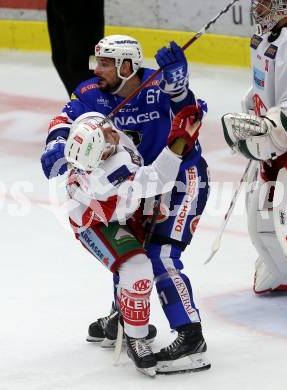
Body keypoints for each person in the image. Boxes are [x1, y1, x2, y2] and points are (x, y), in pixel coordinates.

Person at [41, 34, 210, 374]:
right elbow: (63, 120)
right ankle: (125, 316)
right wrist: (56, 146)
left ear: (127, 66)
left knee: (161, 256)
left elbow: (189, 115)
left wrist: (179, 89)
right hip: (138, 188)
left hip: (179, 180)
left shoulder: (158, 85)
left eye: (105, 63)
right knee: (131, 254)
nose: (96, 69)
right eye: (98, 61)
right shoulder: (91, 94)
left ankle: (192, 339)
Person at [63, 106, 202, 376]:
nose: (111, 133)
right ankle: (137, 338)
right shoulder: (105, 177)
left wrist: (55, 138)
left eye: (105, 129)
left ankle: (120, 316)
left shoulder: (89, 126)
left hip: (122, 208)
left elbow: (67, 115)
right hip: (97, 222)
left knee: (133, 266)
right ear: (100, 156)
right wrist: (179, 141)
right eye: (105, 141)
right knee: (137, 268)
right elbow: (158, 179)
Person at [222, 1, 287, 305]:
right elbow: (260, 85)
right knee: (264, 210)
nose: (258, 8)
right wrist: (253, 108)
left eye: (265, 2)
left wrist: (271, 125)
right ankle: (284, 271)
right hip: (276, 144)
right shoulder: (266, 36)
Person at [46, 0, 104, 96]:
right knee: (60, 59)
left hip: (84, 6)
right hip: (57, 4)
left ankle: (94, 102)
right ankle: (80, 101)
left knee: (84, 62)